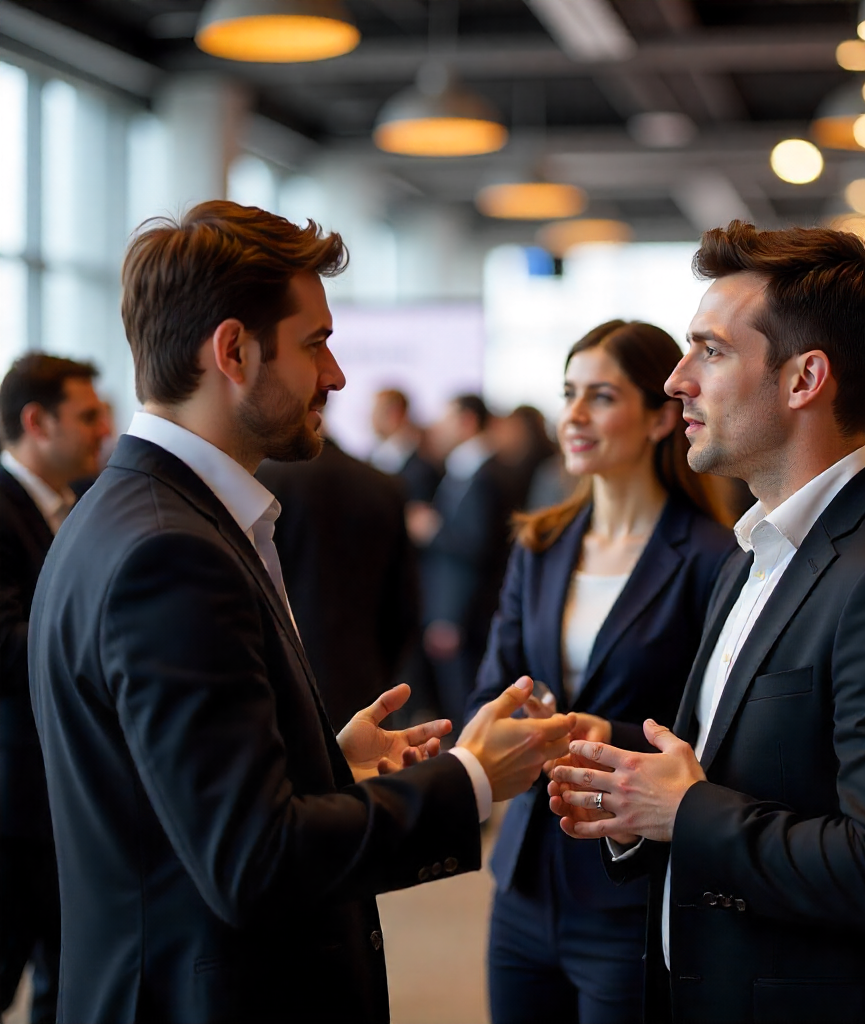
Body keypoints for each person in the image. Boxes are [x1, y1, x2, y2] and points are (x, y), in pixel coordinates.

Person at [27, 201, 576, 1024]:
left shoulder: (131, 514)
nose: (338, 375)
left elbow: (170, 799)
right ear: (234, 351)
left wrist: (323, 763)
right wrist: (471, 779)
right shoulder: (169, 553)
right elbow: (252, 862)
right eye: (316, 342)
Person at [549, 222, 865, 1024]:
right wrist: (622, 770)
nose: (678, 380)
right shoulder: (754, 549)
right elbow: (745, 766)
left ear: (803, 380)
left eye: (710, 351)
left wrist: (682, 810)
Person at [467, 320, 735, 1024]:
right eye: (568, 393)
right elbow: (489, 689)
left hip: (631, 887)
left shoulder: (710, 557)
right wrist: (516, 718)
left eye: (602, 396)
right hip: (524, 877)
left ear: (658, 418)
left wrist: (595, 734)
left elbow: (713, 729)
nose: (575, 416)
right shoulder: (541, 543)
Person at [0, 353, 110, 1024]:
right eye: (89, 415)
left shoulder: (75, 507)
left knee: (67, 983)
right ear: (37, 422)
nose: (105, 430)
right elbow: (4, 649)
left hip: (61, 796)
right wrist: (118, 647)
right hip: (13, 805)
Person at [256, 437, 419, 727]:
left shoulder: (263, 482)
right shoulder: (382, 485)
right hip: (364, 676)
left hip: (281, 679)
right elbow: (404, 602)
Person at [409, 394, 514, 732]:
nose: (440, 426)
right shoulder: (467, 467)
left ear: (468, 420)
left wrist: (432, 529)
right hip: (463, 613)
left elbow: (476, 548)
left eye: (448, 417)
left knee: (466, 711)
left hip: (468, 616)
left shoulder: (484, 473)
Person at [369, 387, 440, 503]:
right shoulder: (373, 456)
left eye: (375, 411)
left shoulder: (421, 468)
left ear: (394, 414)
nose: (371, 418)